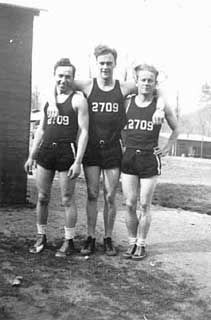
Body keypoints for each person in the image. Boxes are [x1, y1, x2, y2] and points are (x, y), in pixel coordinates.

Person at [48, 45, 165, 256]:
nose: (105, 67)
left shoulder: (123, 87)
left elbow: (155, 88)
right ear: (96, 63)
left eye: (109, 63)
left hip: (112, 149)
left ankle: (108, 238)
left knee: (110, 196)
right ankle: (91, 238)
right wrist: (52, 102)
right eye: (101, 63)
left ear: (115, 65)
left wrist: (160, 106)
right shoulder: (87, 85)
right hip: (92, 148)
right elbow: (59, 80)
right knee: (92, 194)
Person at [24, 58, 89, 257]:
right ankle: (41, 236)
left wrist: (78, 161)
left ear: (73, 78)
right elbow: (41, 130)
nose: (63, 80)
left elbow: (84, 131)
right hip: (46, 152)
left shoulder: (78, 100)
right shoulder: (48, 100)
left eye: (68, 76)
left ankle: (68, 240)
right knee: (42, 197)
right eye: (60, 76)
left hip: (66, 152)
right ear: (55, 77)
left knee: (67, 198)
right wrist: (31, 155)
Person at [121, 63, 179, 260]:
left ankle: (141, 244)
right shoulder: (127, 103)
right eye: (143, 80)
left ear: (155, 84)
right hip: (129, 157)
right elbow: (115, 124)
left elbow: (176, 129)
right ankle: (131, 242)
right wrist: (122, 142)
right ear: (136, 81)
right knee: (129, 203)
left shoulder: (160, 105)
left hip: (149, 158)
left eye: (150, 81)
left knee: (144, 204)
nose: (146, 83)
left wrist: (166, 147)